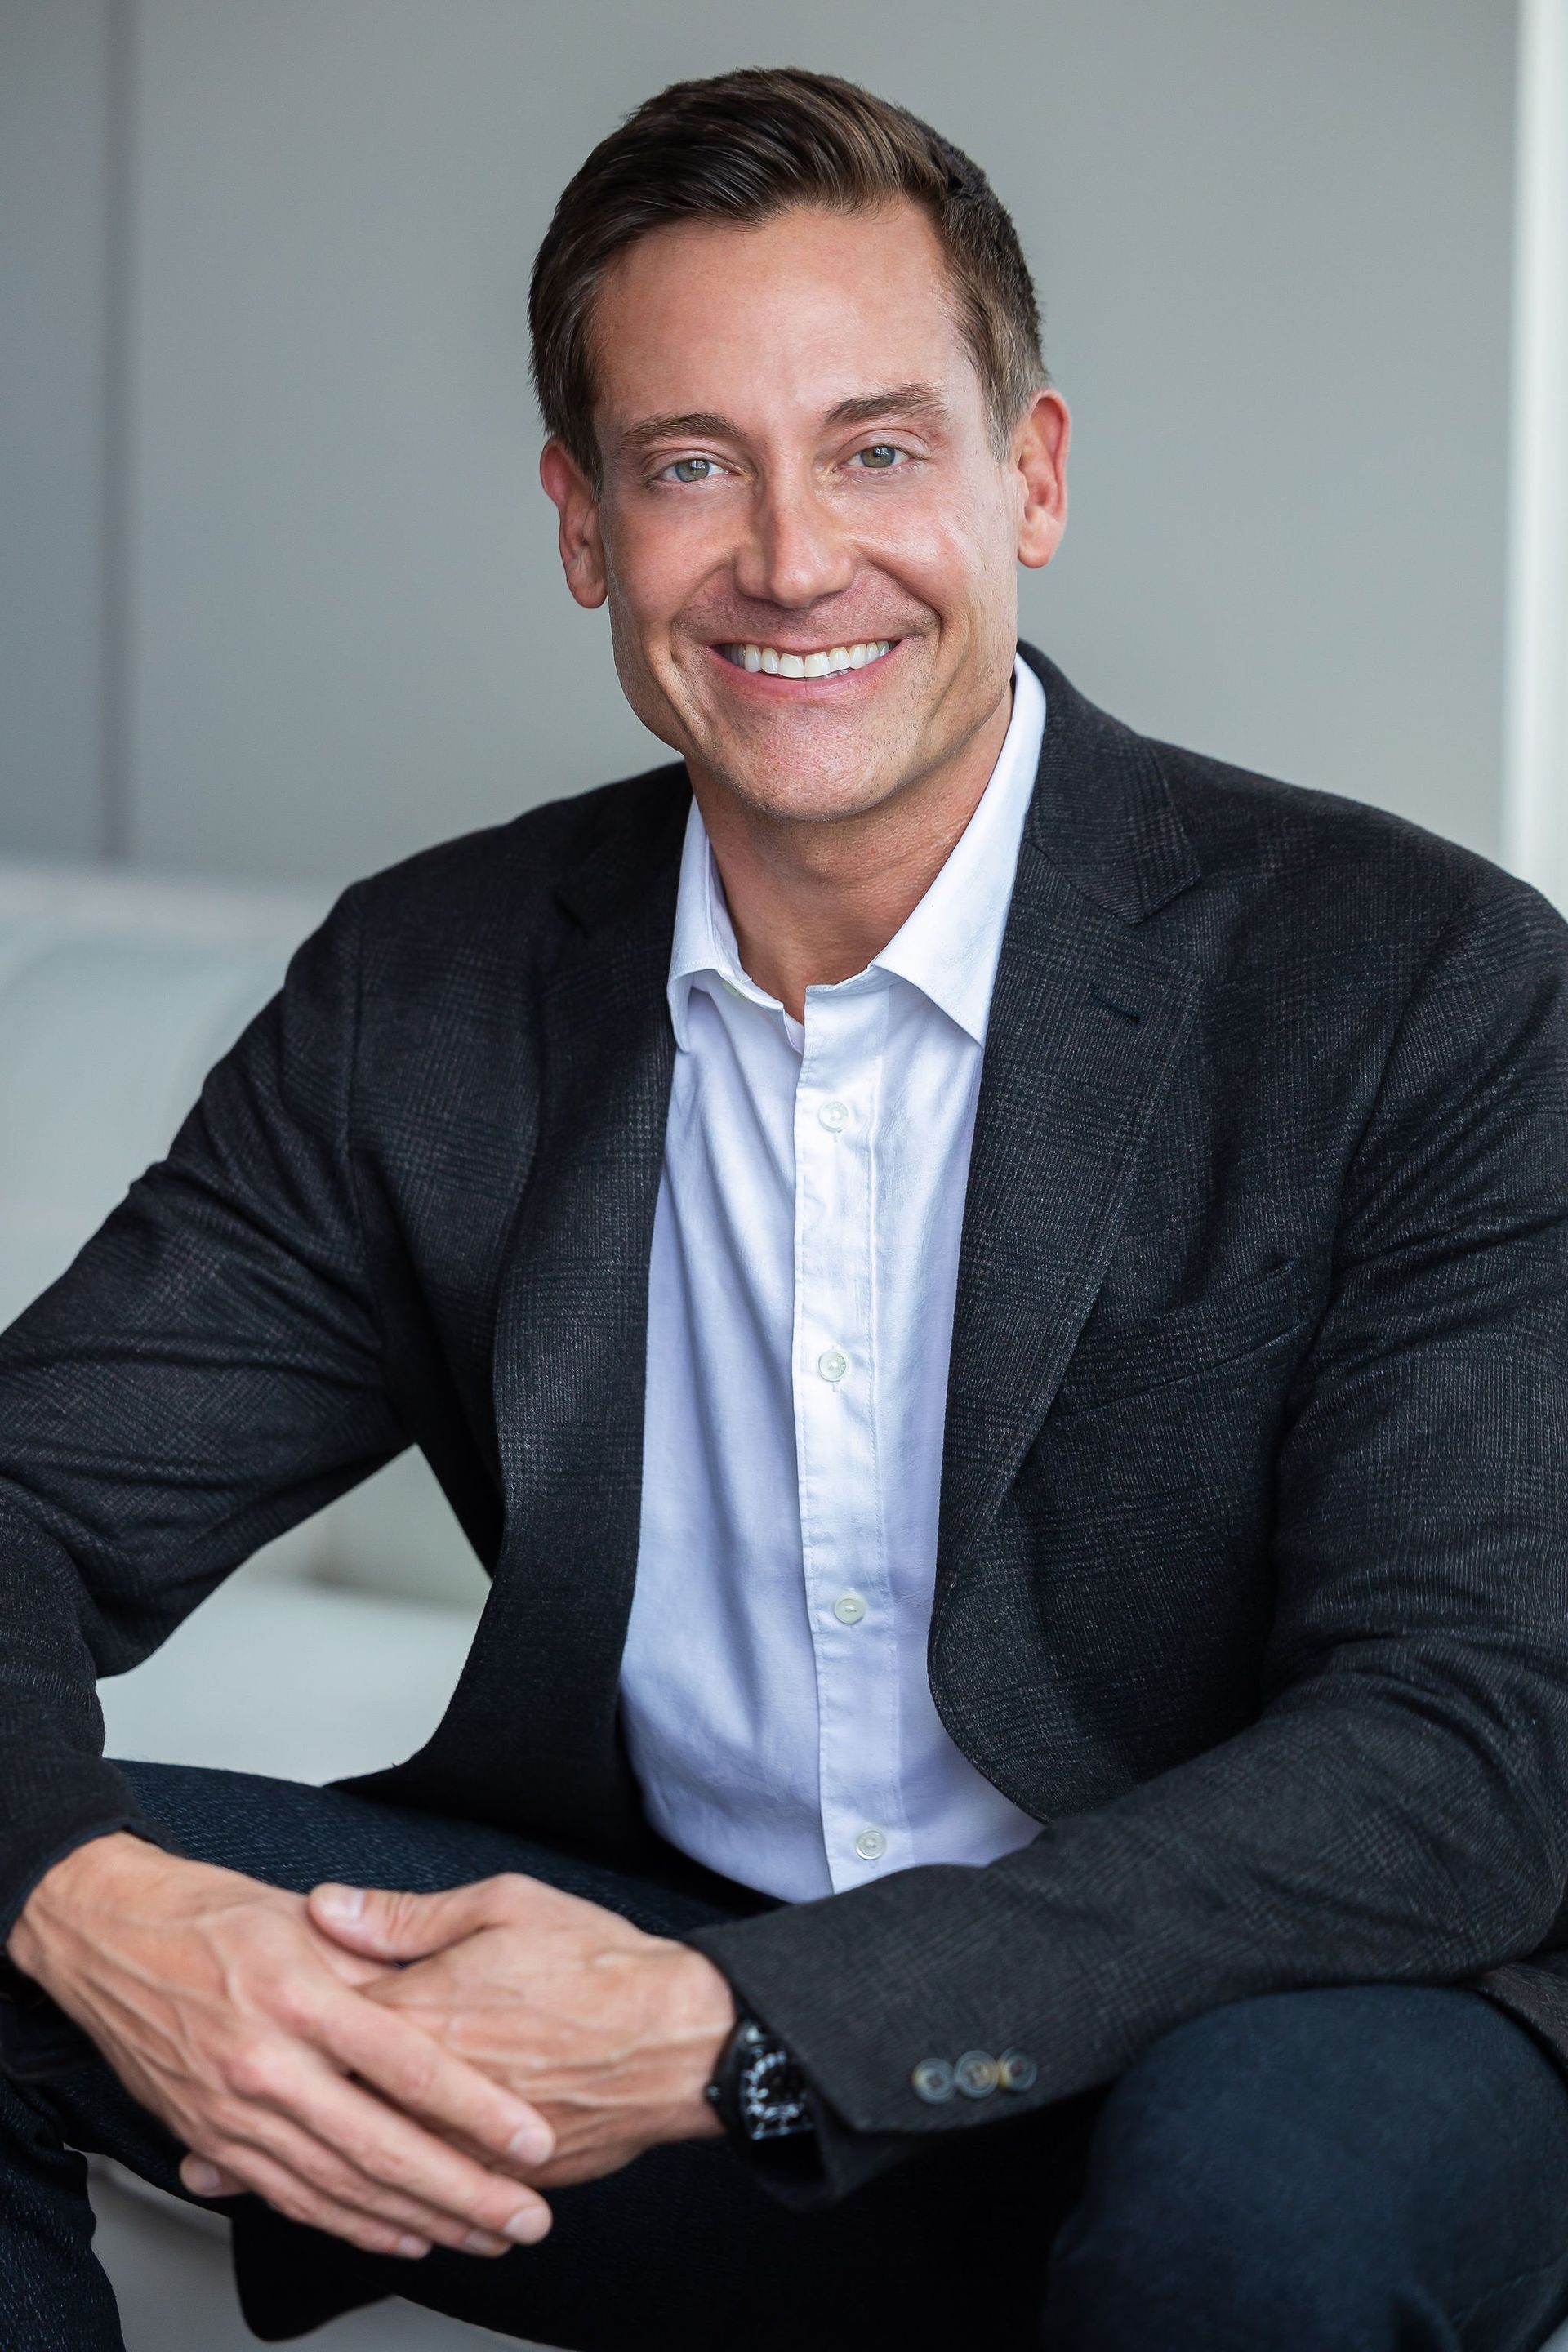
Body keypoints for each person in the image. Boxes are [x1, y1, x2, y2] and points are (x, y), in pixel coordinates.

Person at [3, 63, 1568, 2352]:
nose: (793, 558)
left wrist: (760, 2023)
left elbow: (1471, 1745)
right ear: (583, 524)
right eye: (690, 465)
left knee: (1270, 2210)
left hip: (1261, 2017)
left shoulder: (1419, 983)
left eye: (877, 450)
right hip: (661, 2003)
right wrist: (82, 1897)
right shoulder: (429, 997)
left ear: (1032, 477)